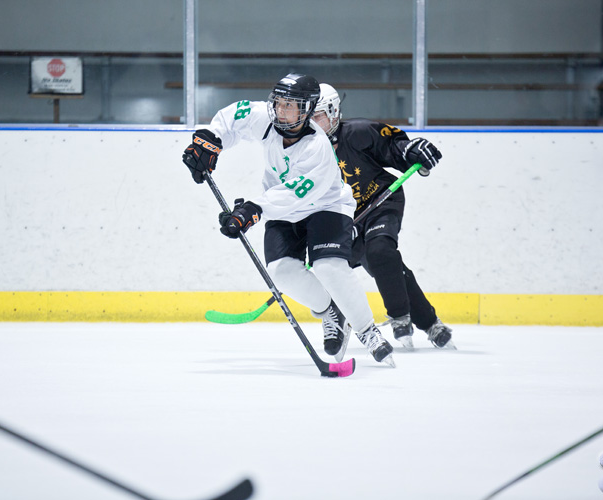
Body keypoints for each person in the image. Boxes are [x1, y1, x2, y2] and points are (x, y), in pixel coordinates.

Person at [182, 73, 396, 366]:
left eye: (290, 105)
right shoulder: (266, 119)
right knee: (282, 272)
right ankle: (331, 310)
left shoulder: (316, 146)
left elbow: (297, 194)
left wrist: (253, 209)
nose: (281, 110)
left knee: (329, 267)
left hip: (326, 206)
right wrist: (211, 139)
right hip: (281, 210)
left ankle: (367, 330)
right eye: (278, 102)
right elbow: (235, 116)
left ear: (307, 109)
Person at [311, 83, 455, 350]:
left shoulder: (358, 132)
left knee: (380, 251)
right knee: (341, 269)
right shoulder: (304, 150)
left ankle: (400, 316)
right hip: (343, 219)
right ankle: (430, 322)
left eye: (316, 115)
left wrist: (412, 152)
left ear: (333, 112)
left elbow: (395, 145)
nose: (311, 122)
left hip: (380, 201)